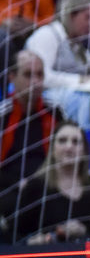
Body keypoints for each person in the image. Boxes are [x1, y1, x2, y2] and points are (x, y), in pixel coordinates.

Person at [1, 120, 90, 243]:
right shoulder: (36, 187)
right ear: (52, 149)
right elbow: (11, 233)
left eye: (75, 142)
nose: (69, 147)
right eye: (62, 140)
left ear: (84, 150)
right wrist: (31, 241)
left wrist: (85, 230)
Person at [0, 50, 54, 192]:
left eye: (40, 74)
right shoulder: (3, 115)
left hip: (48, 186)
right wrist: (16, 183)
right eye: (28, 75)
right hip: (8, 189)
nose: (35, 81)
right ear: (12, 77)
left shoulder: (55, 111)